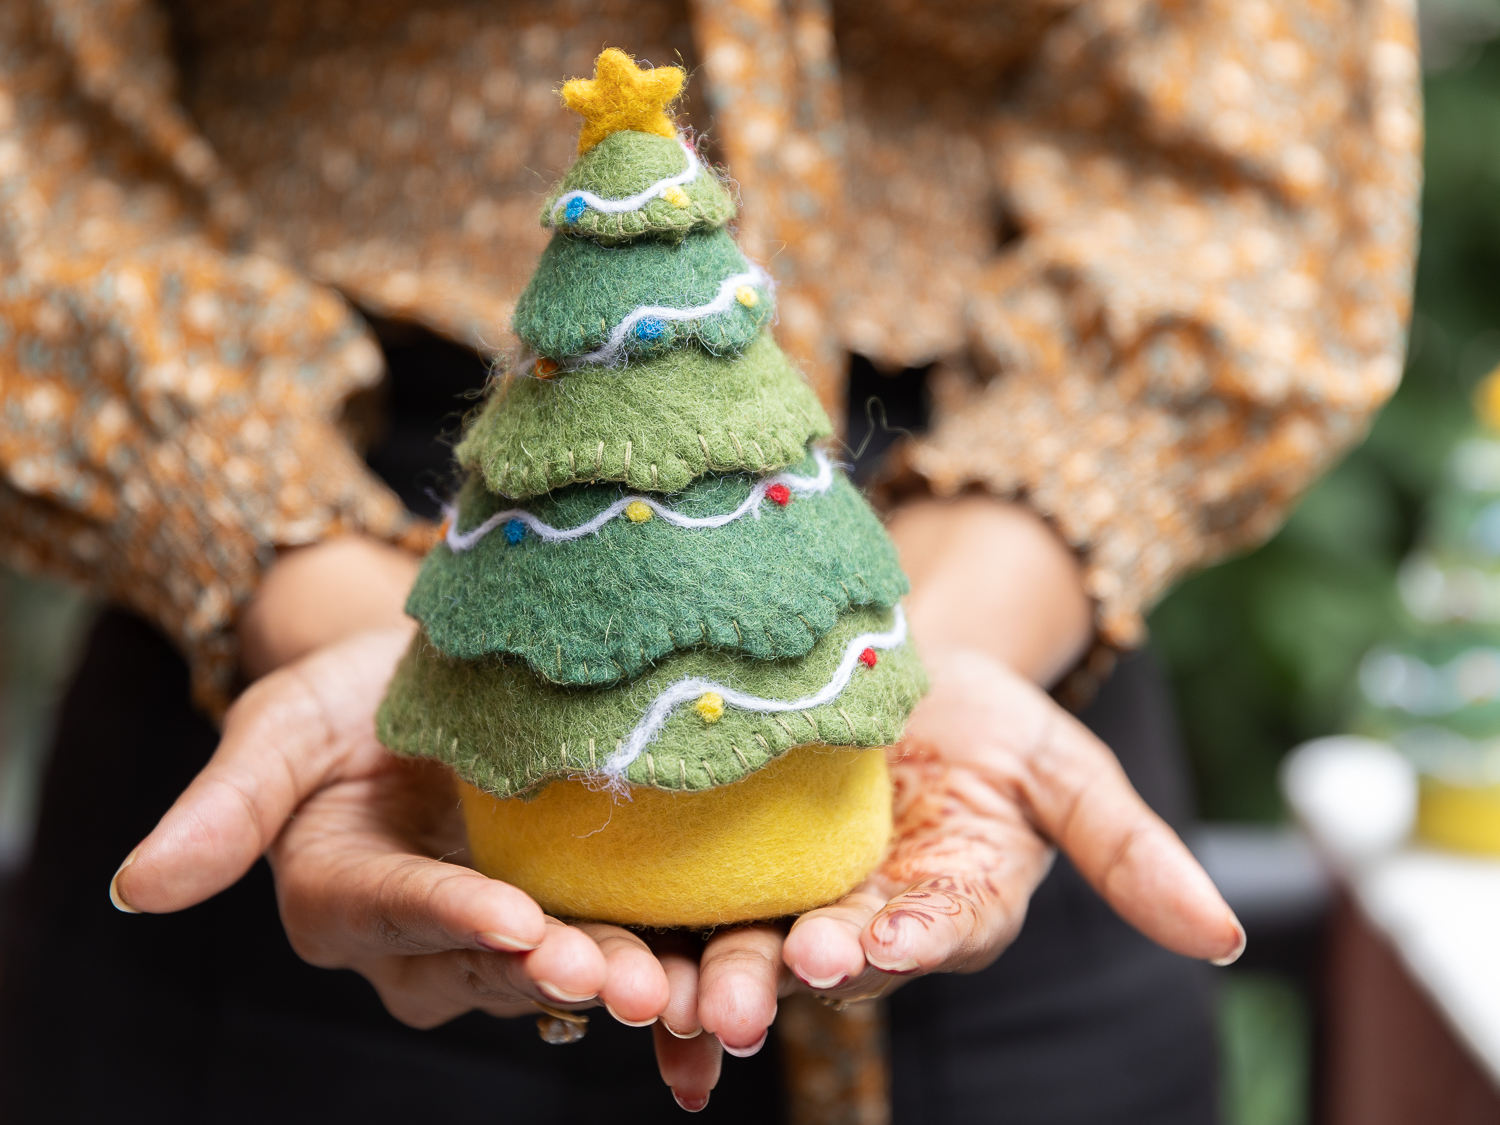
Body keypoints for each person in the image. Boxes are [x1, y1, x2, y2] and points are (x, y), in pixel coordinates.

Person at [0, 1, 1419, 1122]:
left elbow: (1248, 121)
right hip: (344, 574)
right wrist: (300, 574)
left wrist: (961, 616)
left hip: (985, 581)